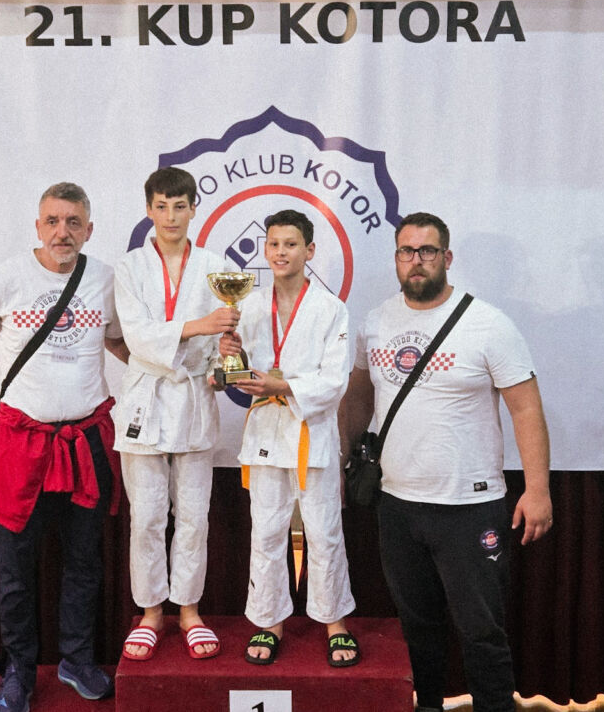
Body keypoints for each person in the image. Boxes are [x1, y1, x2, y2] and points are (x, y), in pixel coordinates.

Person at [339, 212, 552, 712]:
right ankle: (428, 705)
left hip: (469, 506)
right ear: (396, 258)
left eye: (427, 251)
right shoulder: (377, 320)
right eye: (406, 251)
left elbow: (526, 409)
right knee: (418, 626)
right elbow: (359, 396)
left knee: (481, 630)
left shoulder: (488, 323)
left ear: (447, 258)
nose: (416, 261)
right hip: (397, 504)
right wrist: (344, 462)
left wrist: (538, 489)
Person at [0, 182, 127, 712]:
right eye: (52, 221)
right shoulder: (5, 279)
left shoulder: (105, 280)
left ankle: (76, 659)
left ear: (89, 230)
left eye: (73, 222)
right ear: (37, 226)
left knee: (84, 562)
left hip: (84, 443)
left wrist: (178, 359)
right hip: (20, 445)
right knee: (16, 572)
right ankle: (19, 673)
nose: (61, 232)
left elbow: (120, 342)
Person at [219, 209, 359, 667]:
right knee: (266, 531)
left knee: (323, 531)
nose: (281, 252)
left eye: (291, 244)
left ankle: (335, 622)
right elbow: (230, 372)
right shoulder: (249, 305)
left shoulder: (330, 309)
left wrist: (282, 385)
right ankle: (269, 621)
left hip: (309, 432)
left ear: (309, 250)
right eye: (274, 244)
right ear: (265, 250)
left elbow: (335, 380)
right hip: (265, 431)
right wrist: (229, 357)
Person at [113, 167, 239, 661]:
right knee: (146, 516)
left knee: (193, 515)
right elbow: (138, 336)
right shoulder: (129, 268)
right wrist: (200, 325)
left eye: (180, 206)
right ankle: (150, 612)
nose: (170, 216)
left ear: (193, 209)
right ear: (149, 209)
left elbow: (220, 340)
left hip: (193, 397)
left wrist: (223, 353)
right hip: (146, 398)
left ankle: (188, 609)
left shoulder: (215, 266)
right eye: (161, 206)